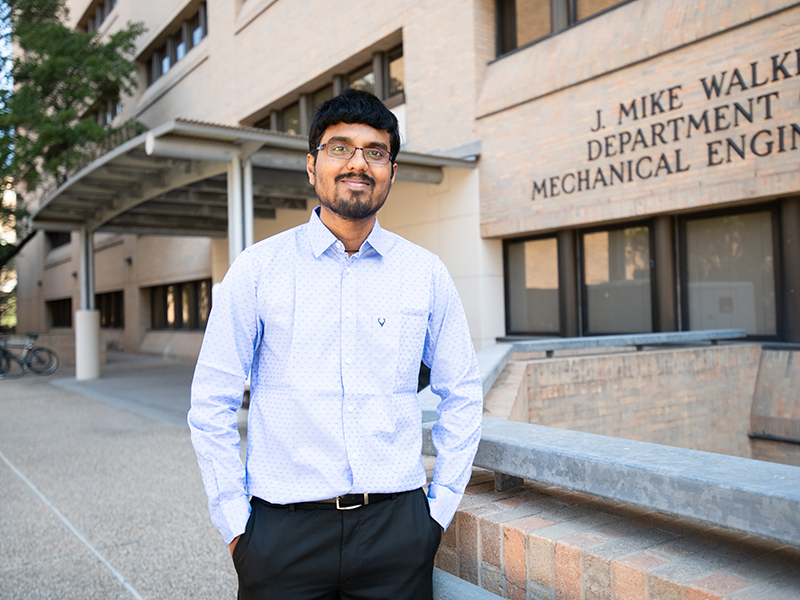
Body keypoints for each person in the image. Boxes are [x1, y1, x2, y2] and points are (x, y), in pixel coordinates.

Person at [188, 89, 483, 600]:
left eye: (375, 151)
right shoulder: (258, 270)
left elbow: (463, 393)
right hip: (283, 534)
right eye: (340, 147)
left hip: (397, 531)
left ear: (391, 170)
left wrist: (434, 516)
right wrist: (238, 528)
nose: (358, 164)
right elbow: (210, 403)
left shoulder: (425, 274)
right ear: (312, 165)